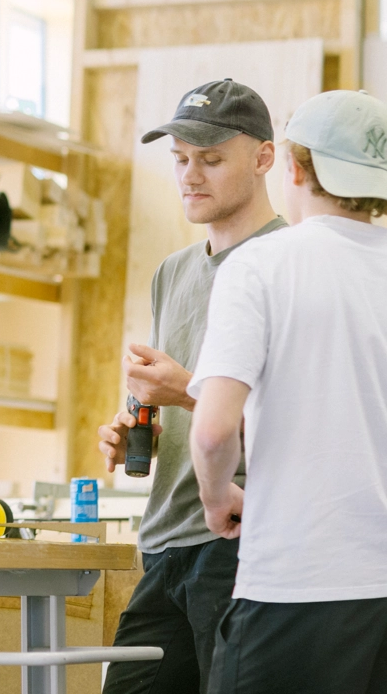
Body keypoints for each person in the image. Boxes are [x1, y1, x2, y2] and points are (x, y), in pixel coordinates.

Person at [189, 89, 387, 693]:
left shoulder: (261, 266)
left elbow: (214, 430)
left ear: (295, 168)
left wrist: (216, 496)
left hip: (295, 585)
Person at [97, 79, 287, 694]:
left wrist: (184, 392)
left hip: (240, 537)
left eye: (210, 159)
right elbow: (176, 403)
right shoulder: (172, 272)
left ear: (263, 158)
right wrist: (137, 426)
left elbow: (303, 419)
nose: (189, 176)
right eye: (180, 159)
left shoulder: (291, 262)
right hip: (163, 541)